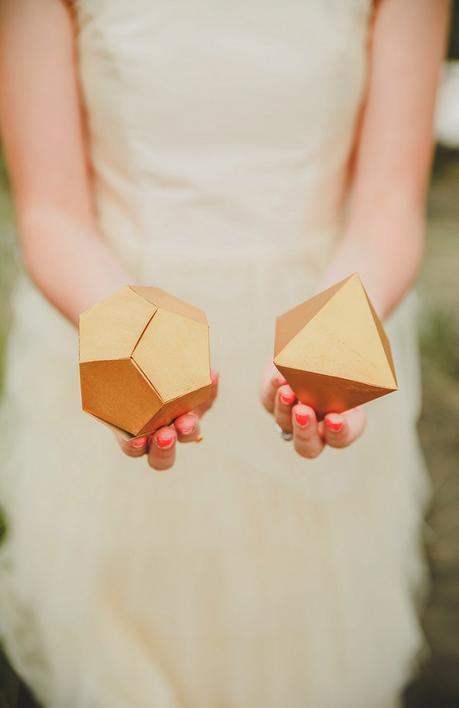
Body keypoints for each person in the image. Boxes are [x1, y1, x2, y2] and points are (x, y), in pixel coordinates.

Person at [0, 1, 449, 706]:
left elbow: (388, 203)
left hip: (322, 310)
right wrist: (132, 346)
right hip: (114, 318)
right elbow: (52, 211)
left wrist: (332, 345)